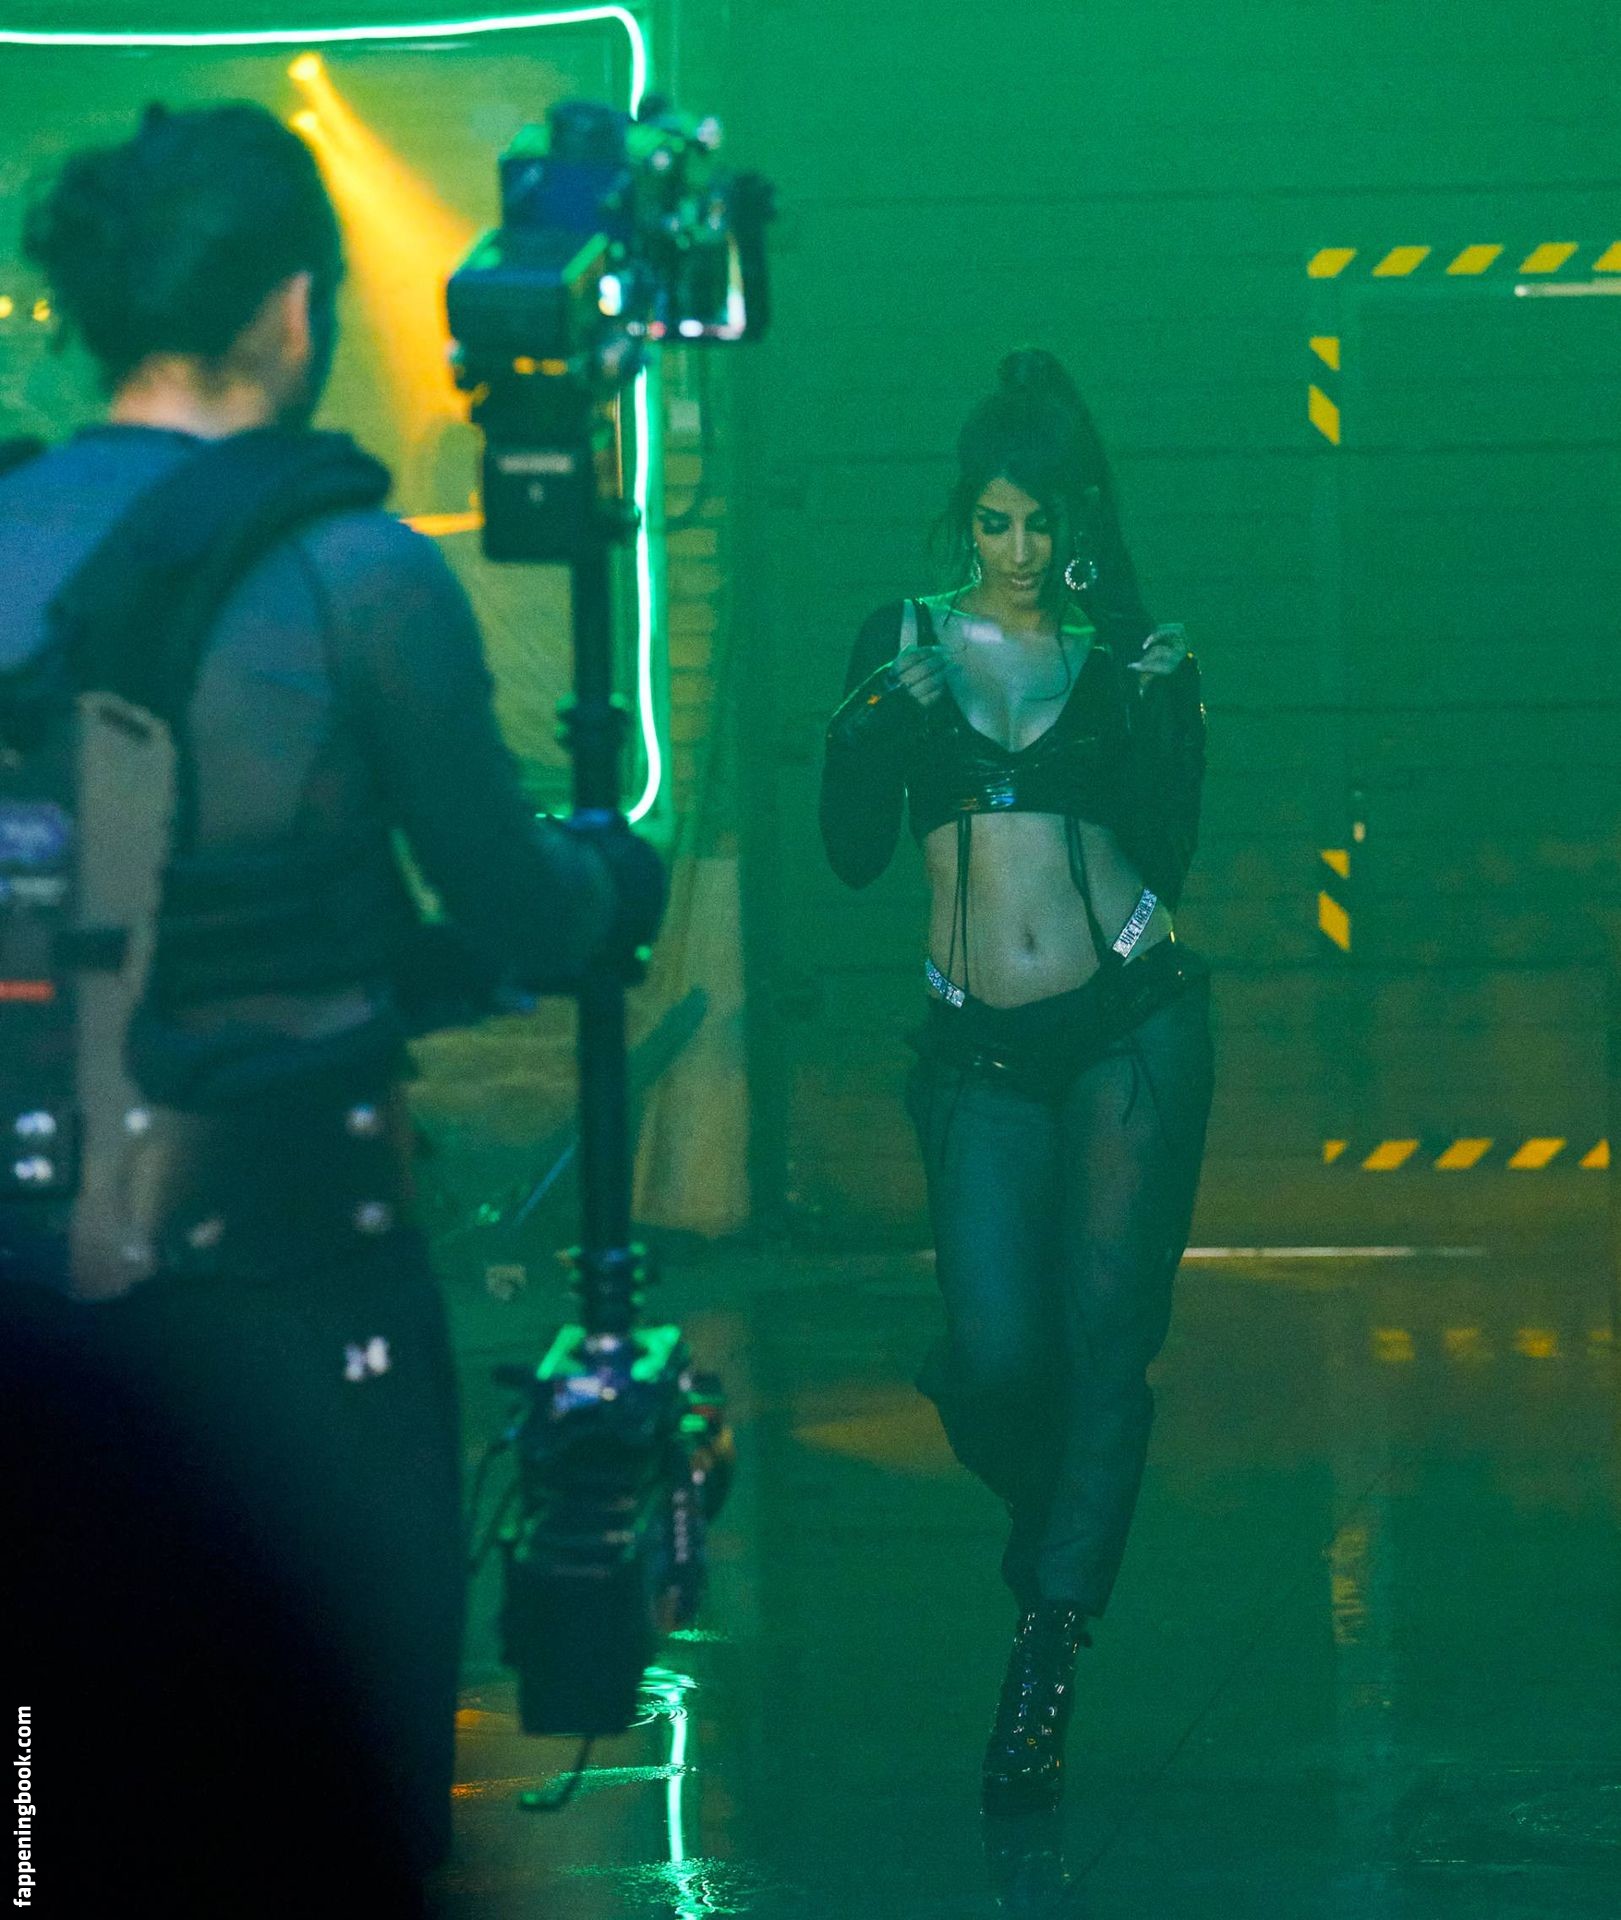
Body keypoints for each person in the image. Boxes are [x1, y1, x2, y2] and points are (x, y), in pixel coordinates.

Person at [0, 103, 663, 1912]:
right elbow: (515, 907)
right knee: (334, 1739)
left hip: (31, 1266)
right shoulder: (357, 572)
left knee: (44, 1769)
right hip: (299, 1259)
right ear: (291, 308)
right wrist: (613, 885)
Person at [819, 349, 1212, 1814]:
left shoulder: (1127, 653)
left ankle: (1046, 1652)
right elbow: (851, 849)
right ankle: (1058, 1530)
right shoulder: (901, 639)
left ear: (1078, 521)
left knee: (1106, 1348)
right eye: (997, 521)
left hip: (1130, 1025)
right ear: (962, 516)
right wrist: (871, 721)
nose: (1023, 550)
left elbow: (1168, 854)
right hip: (974, 1048)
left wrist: (1168, 715)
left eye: (1045, 523)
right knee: (995, 1359)